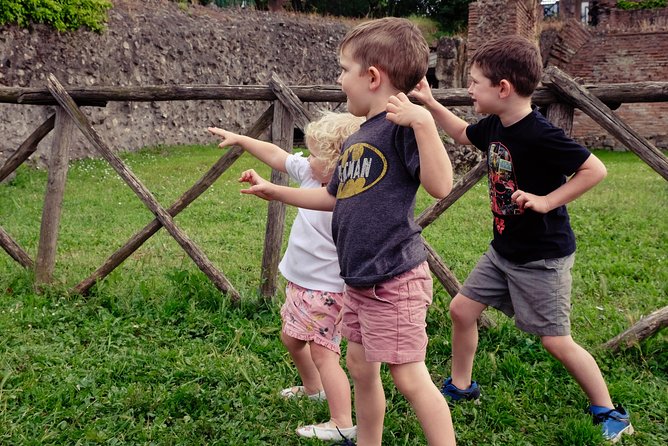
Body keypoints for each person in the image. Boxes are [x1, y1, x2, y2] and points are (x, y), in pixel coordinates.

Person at [237, 17, 456, 446]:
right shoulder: (360, 136)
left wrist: (425, 123)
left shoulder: (404, 127)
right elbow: (333, 197)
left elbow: (440, 185)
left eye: (343, 70)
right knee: (359, 366)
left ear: (372, 77)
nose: (339, 81)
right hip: (357, 280)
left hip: (394, 280)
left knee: (410, 378)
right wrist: (276, 191)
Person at [405, 35, 633, 443]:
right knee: (461, 310)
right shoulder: (495, 124)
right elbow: (462, 134)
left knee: (555, 340)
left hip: (542, 257)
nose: (470, 89)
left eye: (475, 83)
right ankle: (461, 386)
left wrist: (547, 200)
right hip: (504, 250)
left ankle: (609, 410)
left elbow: (594, 170)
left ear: (503, 88)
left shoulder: (540, 134)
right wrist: (431, 102)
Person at [208, 111, 364, 441]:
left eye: (315, 154)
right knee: (291, 339)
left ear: (337, 164)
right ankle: (313, 389)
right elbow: (278, 156)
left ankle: (341, 422)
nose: (306, 158)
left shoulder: (347, 197)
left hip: (327, 290)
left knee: (325, 353)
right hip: (302, 284)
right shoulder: (310, 173)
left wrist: (272, 191)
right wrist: (242, 140)